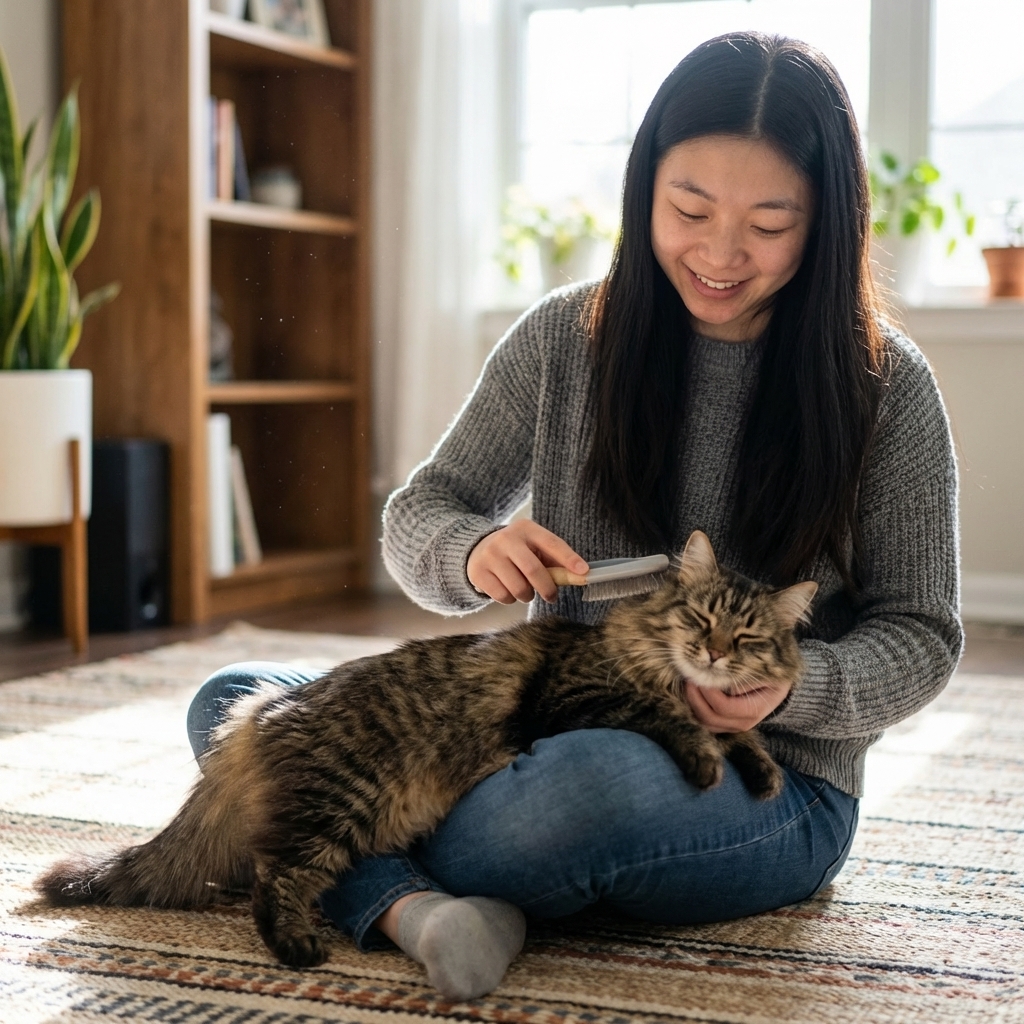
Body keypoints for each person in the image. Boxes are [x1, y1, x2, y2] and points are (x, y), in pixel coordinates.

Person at [188, 32, 962, 1000]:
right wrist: (473, 552)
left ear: (828, 223)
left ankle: (387, 879)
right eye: (688, 209)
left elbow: (922, 632)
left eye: (769, 223)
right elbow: (423, 508)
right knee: (236, 700)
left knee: (563, 796)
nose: (720, 254)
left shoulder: (884, 384)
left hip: (763, 783)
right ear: (644, 194)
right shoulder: (566, 334)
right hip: (525, 727)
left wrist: (790, 689)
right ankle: (424, 909)